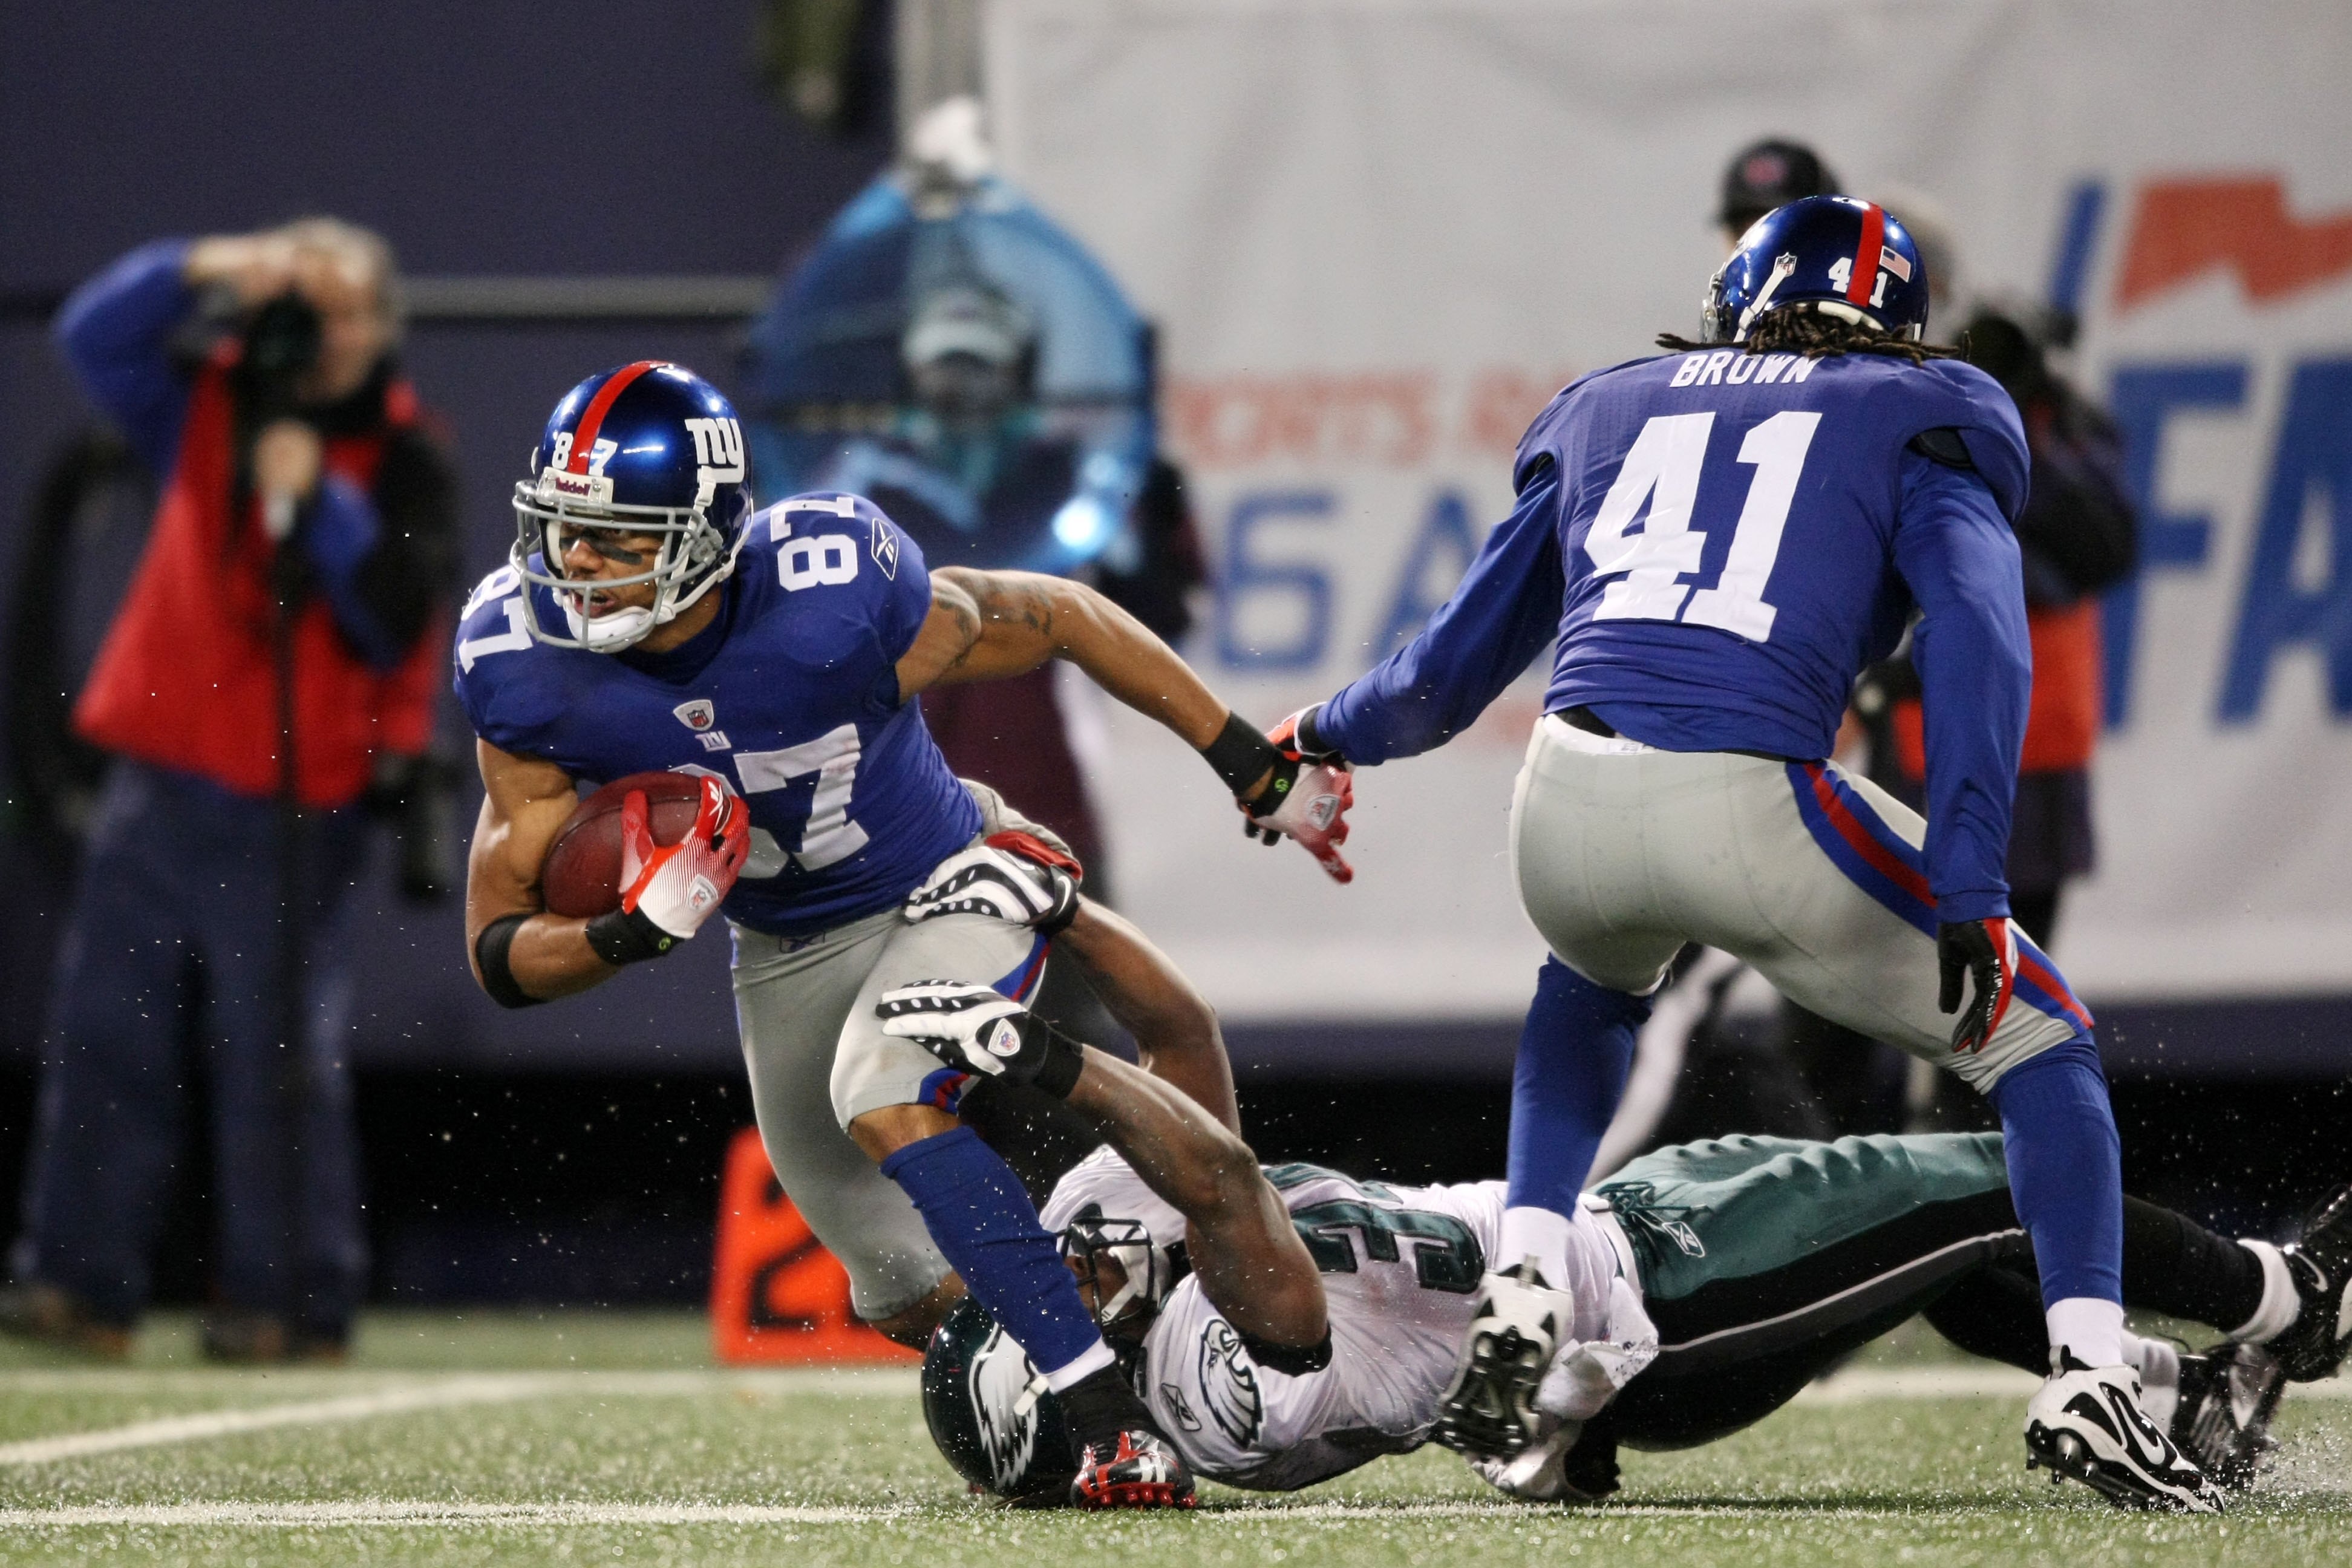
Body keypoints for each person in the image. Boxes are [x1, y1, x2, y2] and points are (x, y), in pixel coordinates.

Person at [1263, 195, 2203, 1504]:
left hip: (1562, 801)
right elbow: (1982, 641)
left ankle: (1528, 1278)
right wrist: (1975, 882)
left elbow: (1442, 676)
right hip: (1751, 800)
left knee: (1587, 983)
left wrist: (1321, 731)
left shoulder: (1610, 402)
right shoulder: (1925, 412)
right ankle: (2096, 1377)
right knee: (2043, 1039)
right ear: (1899, 331)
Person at [449, 360, 1351, 1509]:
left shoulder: (829, 589)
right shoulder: (524, 665)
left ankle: (1117, 1430)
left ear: (709, 535)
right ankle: (1124, 1311)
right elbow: (499, 957)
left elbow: (1061, 615)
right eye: (564, 531)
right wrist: (633, 932)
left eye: (616, 541)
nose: (575, 566)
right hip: (787, 941)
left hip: (952, 870)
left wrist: (1253, 764)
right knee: (909, 1292)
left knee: (883, 1084)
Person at [893, 971, 2352, 1510]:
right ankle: (2293, 1301)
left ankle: (2179, 1395)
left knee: (1941, 1248)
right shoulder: (1218, 1396)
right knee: (1993, 1173)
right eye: (1052, 1308)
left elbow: (1186, 1041)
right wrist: (1043, 1060)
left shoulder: (1112, 1279)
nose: (1066, 1267)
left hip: (1612, 1247)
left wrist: (1064, 913)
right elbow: (1220, 1189)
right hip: (1648, 1316)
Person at [0, 222, 457, 1363]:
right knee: (105, 1040)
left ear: (384, 330)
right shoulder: (202, 407)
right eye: (307, 306)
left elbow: (396, 614)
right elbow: (90, 334)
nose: (327, 332)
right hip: (157, 787)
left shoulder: (409, 462)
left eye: (349, 309)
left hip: (299, 804)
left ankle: (293, 1303)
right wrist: (212, 265)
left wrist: (326, 508)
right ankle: (78, 1284)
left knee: (277, 1063)